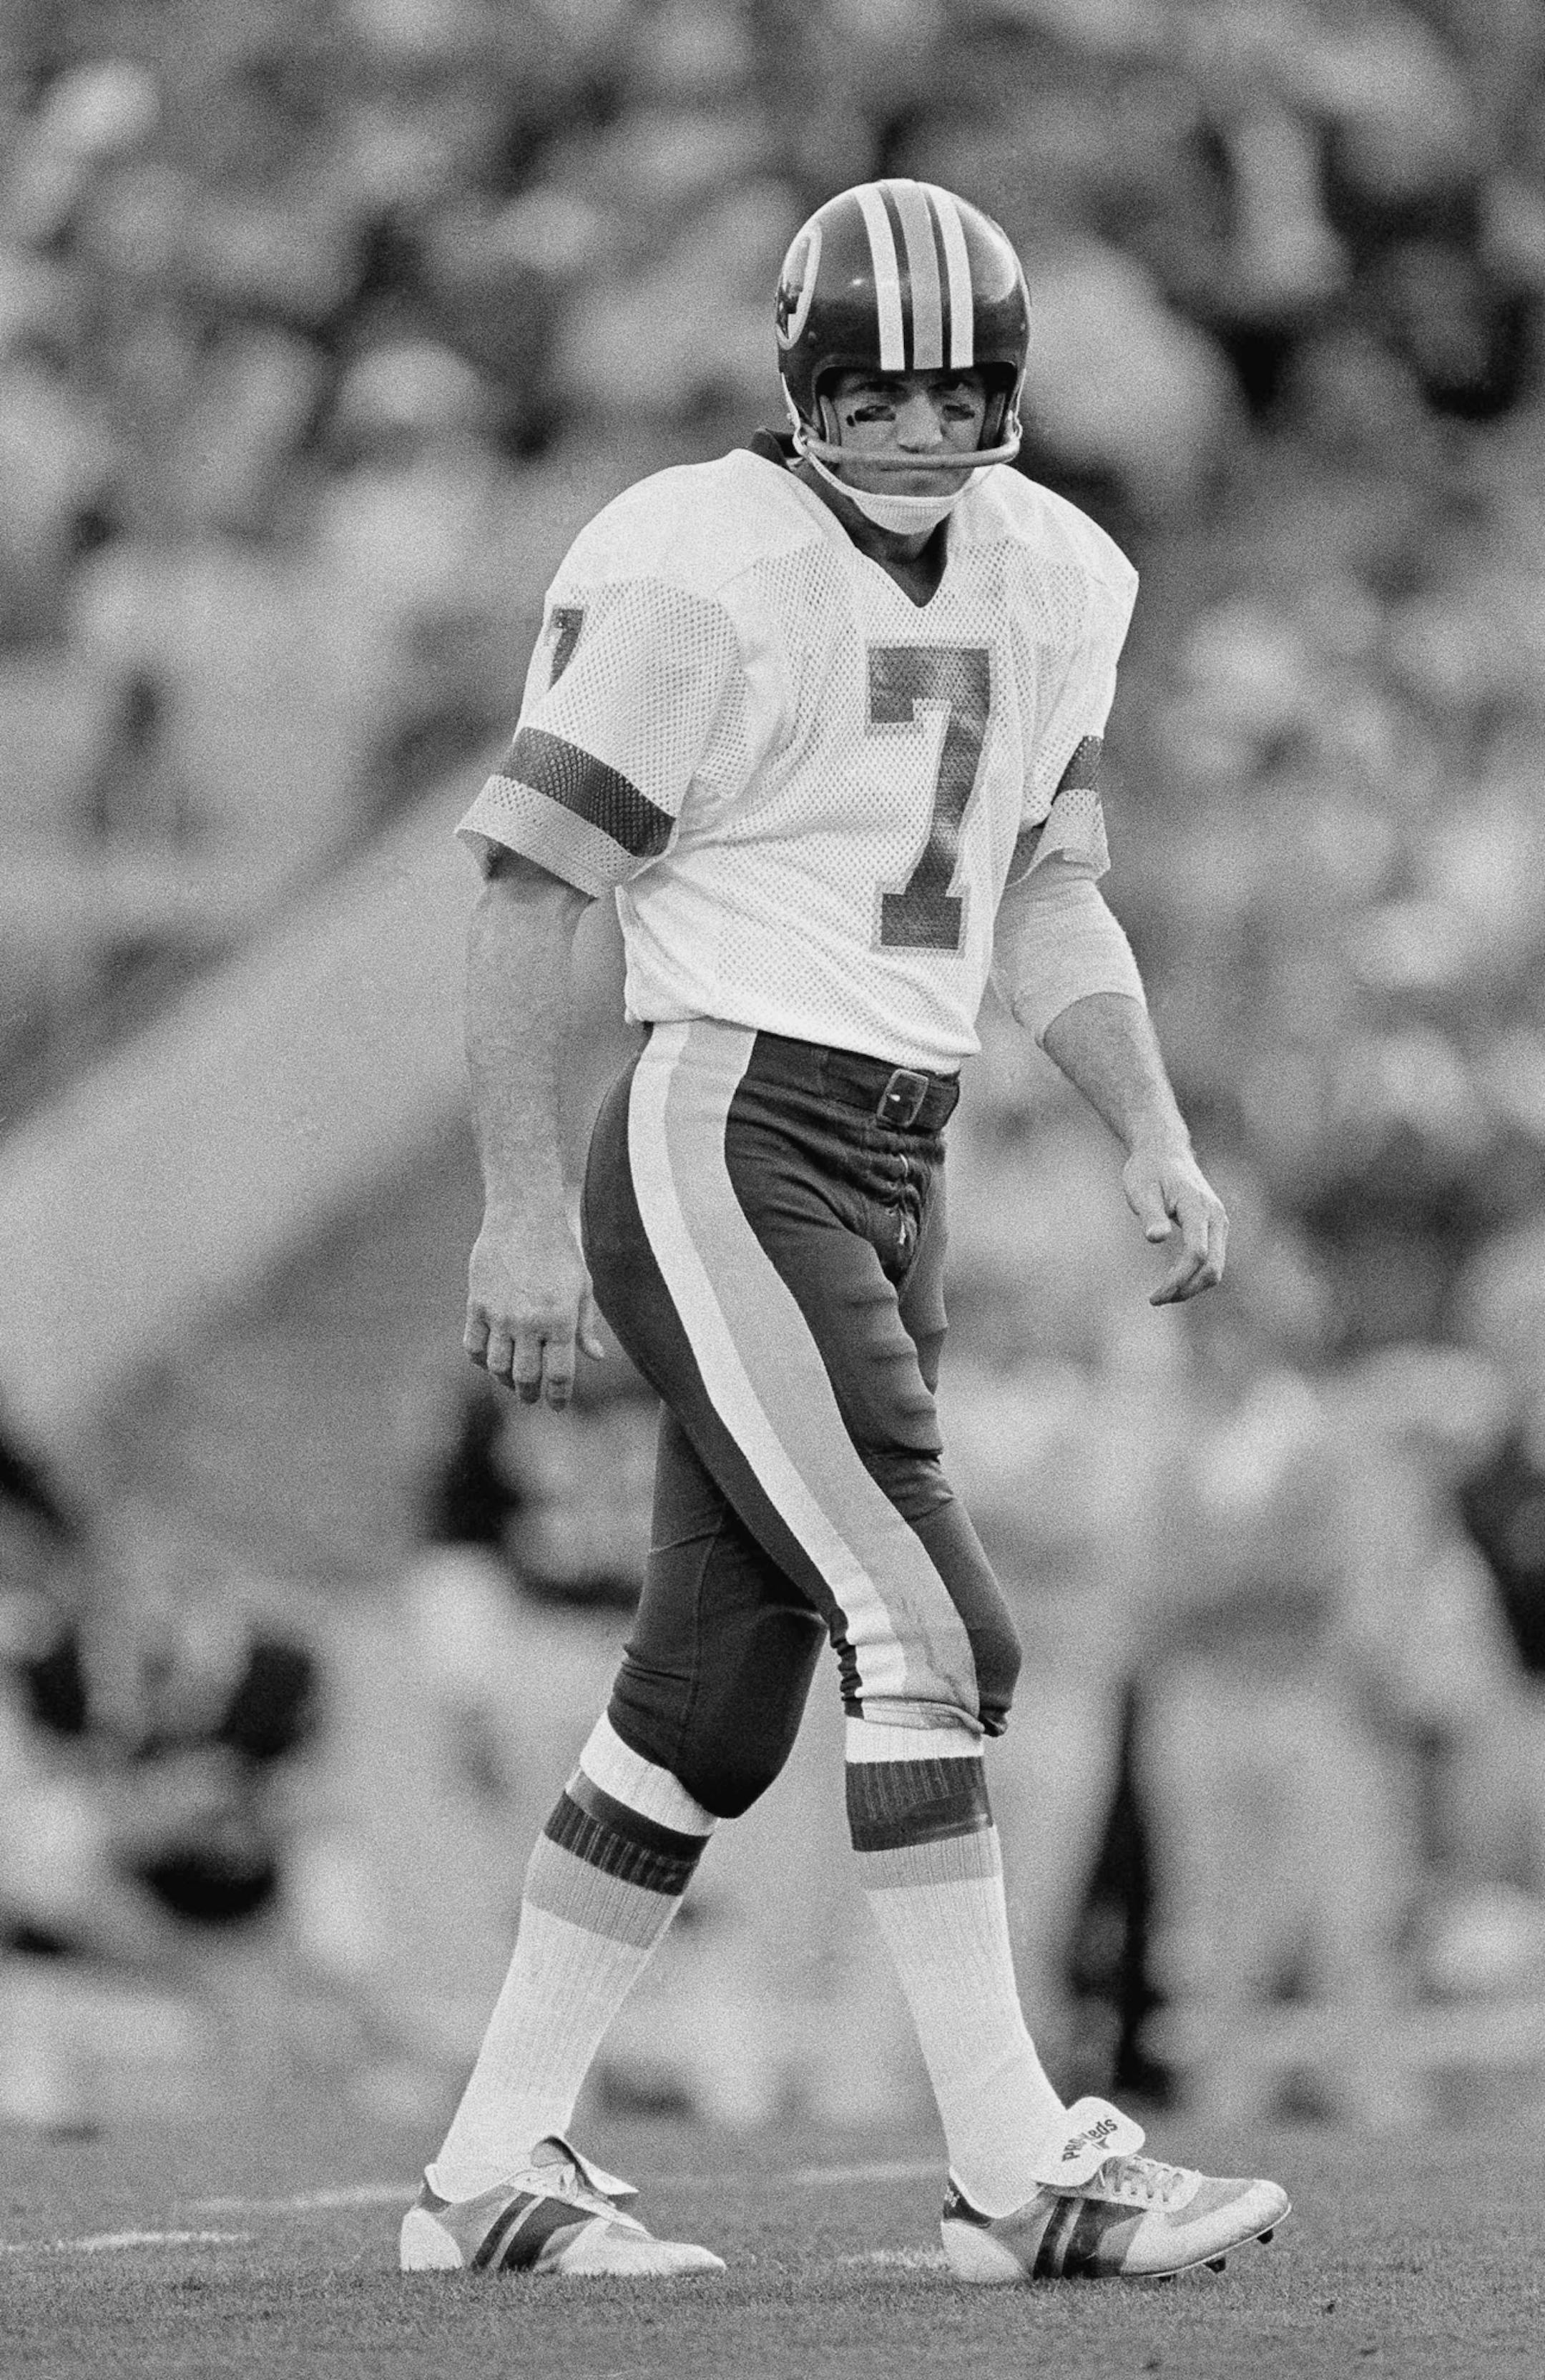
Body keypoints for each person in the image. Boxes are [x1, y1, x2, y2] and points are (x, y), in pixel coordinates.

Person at [401, 180, 1289, 2286]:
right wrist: (523, 1206)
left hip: (903, 1146)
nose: (913, 425)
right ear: (800, 381)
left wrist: (1148, 1123)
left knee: (713, 1697)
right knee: (935, 1630)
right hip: (725, 1115)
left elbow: (1045, 885)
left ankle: (493, 2163)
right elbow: (536, 889)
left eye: (956, 390)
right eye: (873, 389)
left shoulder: (1061, 569)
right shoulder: (702, 568)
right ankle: (1016, 2167)